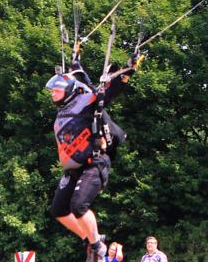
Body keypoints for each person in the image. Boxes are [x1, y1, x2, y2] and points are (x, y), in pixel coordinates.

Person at [46, 54, 140, 262]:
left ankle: (98, 246)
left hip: (94, 163)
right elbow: (80, 76)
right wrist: (75, 62)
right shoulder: (63, 110)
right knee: (58, 209)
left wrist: (128, 70)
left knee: (78, 206)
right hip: (74, 168)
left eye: (56, 90)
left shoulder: (86, 103)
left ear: (68, 91)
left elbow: (107, 93)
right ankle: (89, 239)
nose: (52, 93)